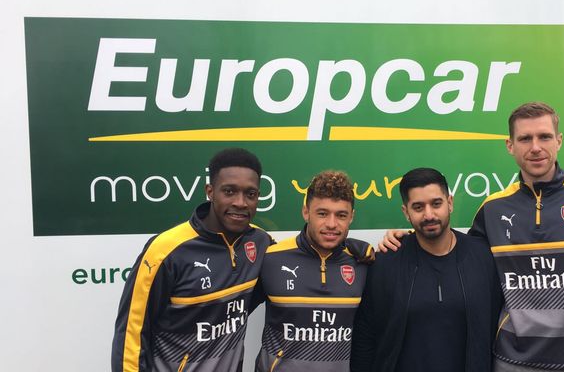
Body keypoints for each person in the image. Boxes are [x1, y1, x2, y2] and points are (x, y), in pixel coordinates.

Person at [380, 102, 564, 372]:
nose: (535, 147)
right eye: (524, 139)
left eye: (544, 136)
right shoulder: (492, 209)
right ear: (510, 145)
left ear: (559, 140)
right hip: (512, 363)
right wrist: (408, 241)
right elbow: (456, 258)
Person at [111, 148, 274, 372]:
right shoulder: (166, 250)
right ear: (210, 191)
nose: (241, 202)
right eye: (229, 191)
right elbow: (132, 334)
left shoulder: (260, 242)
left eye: (250, 194)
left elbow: (300, 265)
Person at [352, 168, 501, 372]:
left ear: (450, 203)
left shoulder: (482, 257)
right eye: (418, 207)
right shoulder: (387, 262)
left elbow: (497, 327)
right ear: (406, 212)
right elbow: (365, 335)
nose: (429, 214)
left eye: (436, 204)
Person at [255, 170, 374, 372]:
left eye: (341, 215)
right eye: (322, 213)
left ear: (351, 217)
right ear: (305, 212)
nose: (331, 224)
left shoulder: (363, 262)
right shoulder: (271, 258)